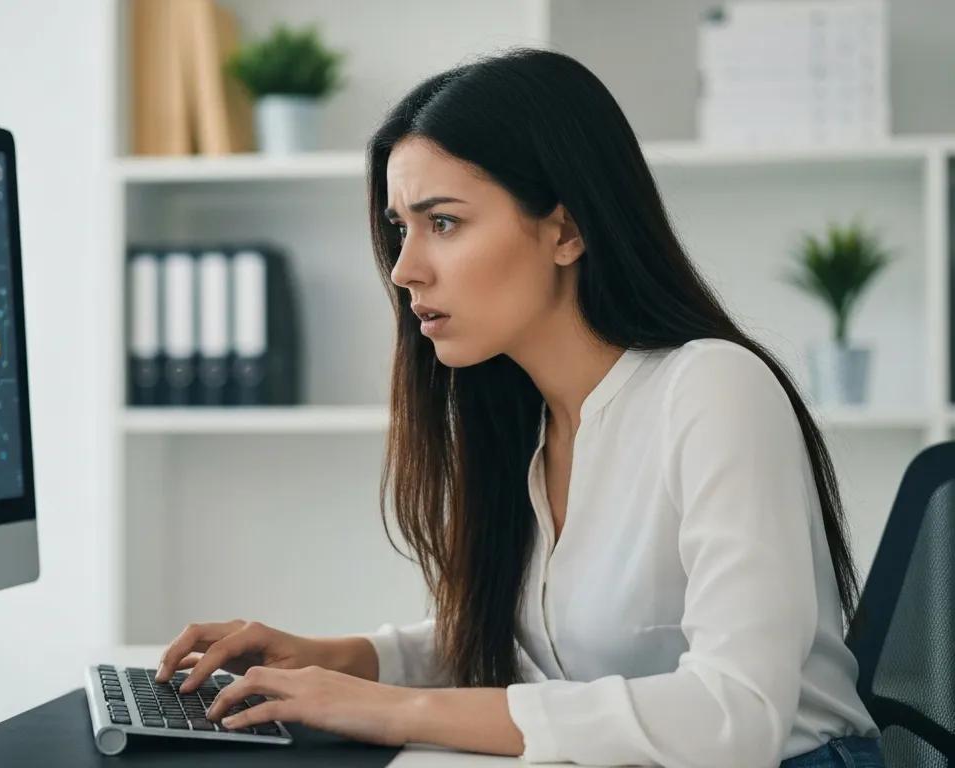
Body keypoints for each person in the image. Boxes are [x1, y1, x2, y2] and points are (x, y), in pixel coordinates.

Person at [153, 48, 884, 768]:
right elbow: (532, 643)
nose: (405, 270)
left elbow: (735, 718)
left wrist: (391, 709)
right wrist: (345, 659)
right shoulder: (527, 417)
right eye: (400, 228)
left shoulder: (714, 389)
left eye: (443, 222)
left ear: (566, 231)